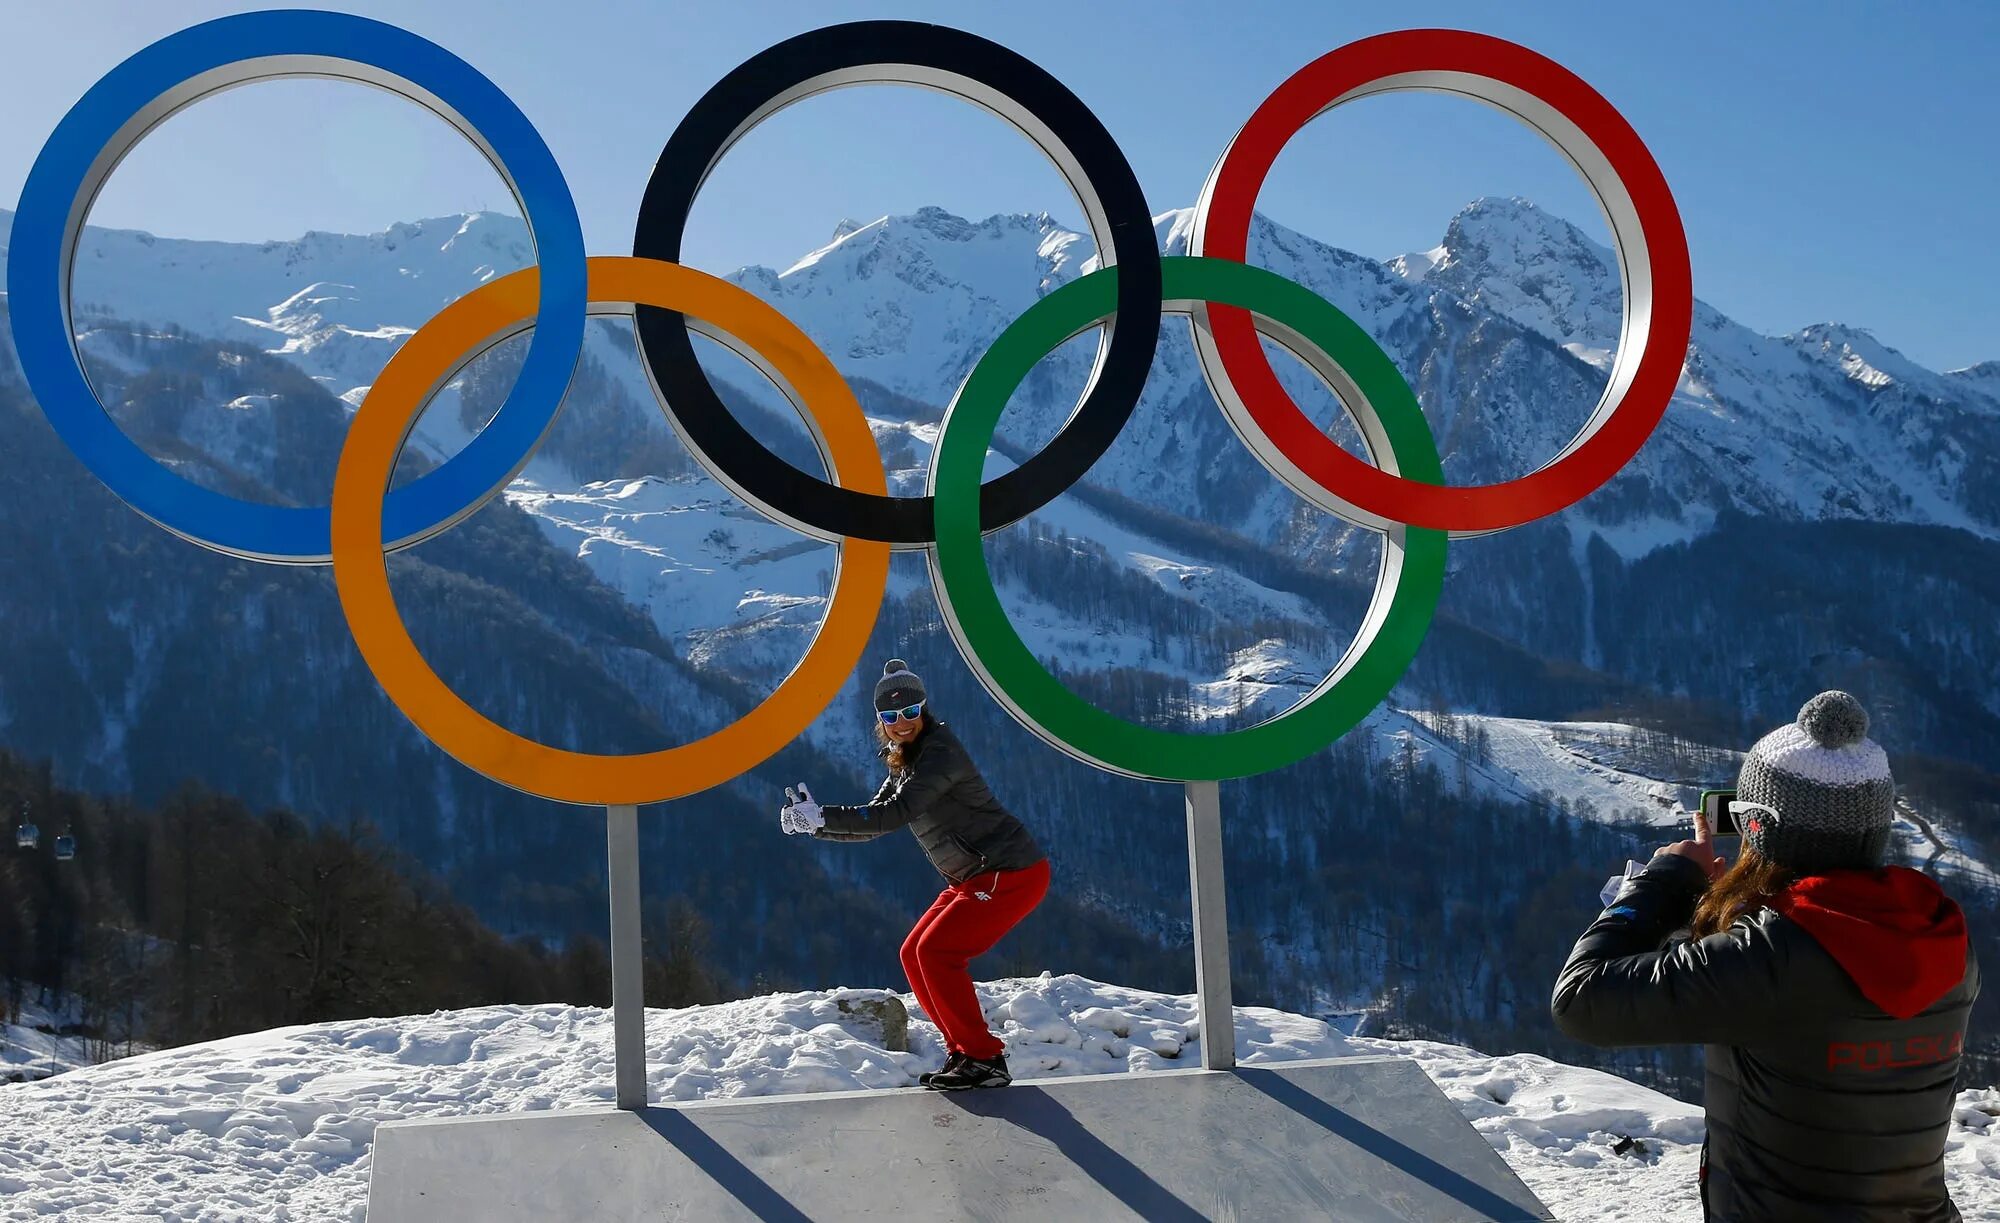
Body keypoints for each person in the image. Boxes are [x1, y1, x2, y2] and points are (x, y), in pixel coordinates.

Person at [1552, 691, 1978, 1222]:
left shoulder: (1770, 958)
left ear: (1758, 826)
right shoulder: (1943, 937)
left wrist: (1661, 884)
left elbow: (1581, 1000)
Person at [780, 658, 1049, 1091]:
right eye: (891, 716)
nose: (902, 723)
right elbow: (874, 822)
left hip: (1009, 872)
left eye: (910, 712)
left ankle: (984, 1057)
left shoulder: (940, 754)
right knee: (914, 953)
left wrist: (822, 815)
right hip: (976, 877)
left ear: (924, 709)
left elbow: (891, 815)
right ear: (879, 721)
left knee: (938, 953)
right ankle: (964, 1052)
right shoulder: (906, 761)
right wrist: (816, 824)